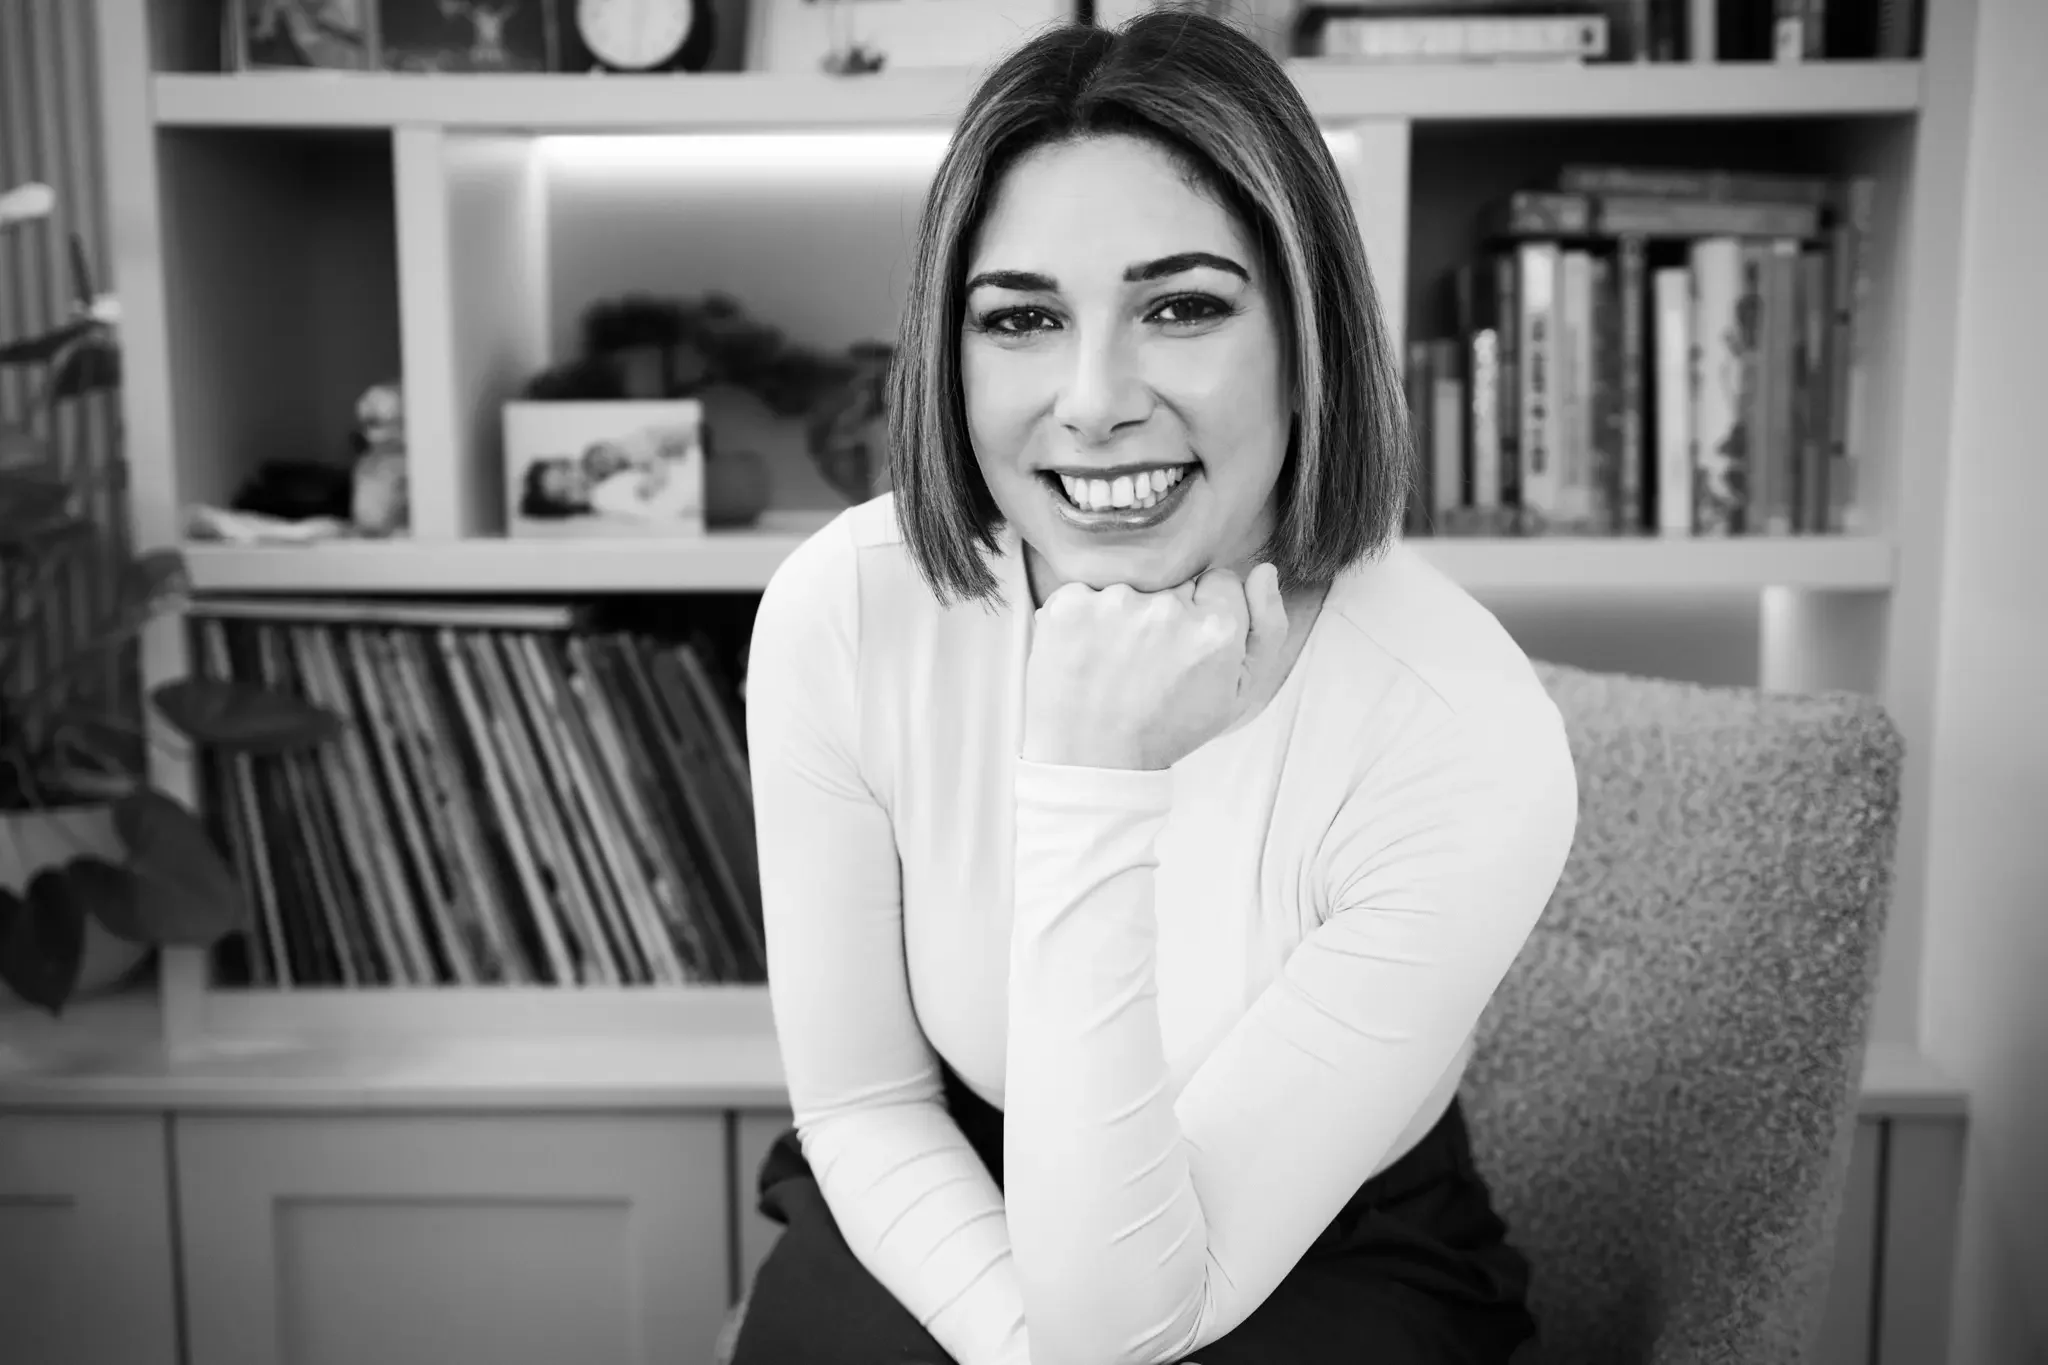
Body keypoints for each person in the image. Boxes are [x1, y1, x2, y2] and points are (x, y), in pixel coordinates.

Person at [735, 12, 1579, 1365]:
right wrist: (1033, 1347)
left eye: (1181, 306)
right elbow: (866, 1105)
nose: (1092, 400)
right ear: (951, 365)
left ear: (1308, 341)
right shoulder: (846, 610)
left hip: (1327, 1234)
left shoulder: (1462, 727)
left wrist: (1090, 776)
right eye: (1021, 320)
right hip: (954, 1179)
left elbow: (1125, 1318)